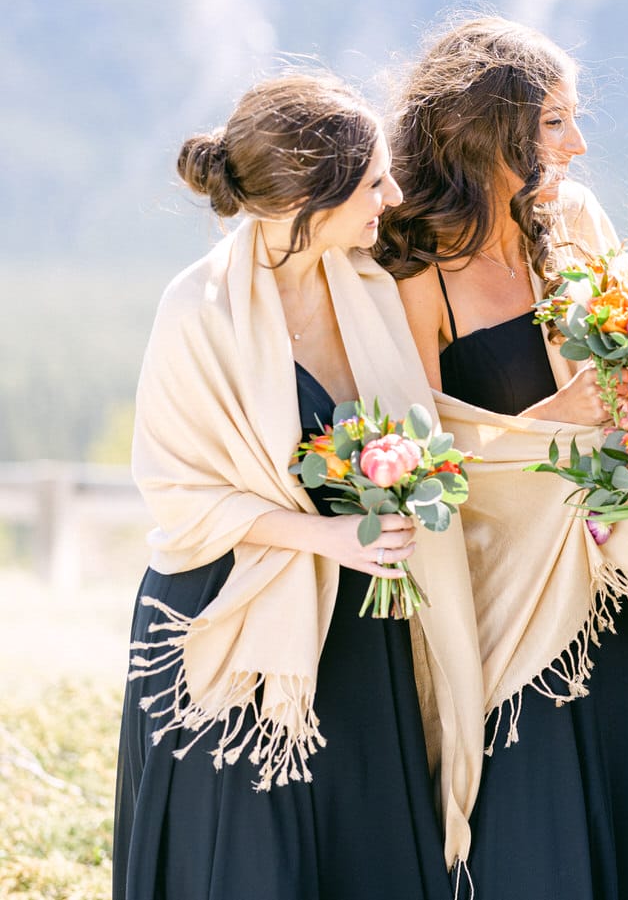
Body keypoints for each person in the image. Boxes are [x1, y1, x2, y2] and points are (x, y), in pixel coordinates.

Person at [116, 73, 484, 900]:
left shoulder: (370, 287)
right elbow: (177, 493)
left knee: (366, 855)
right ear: (308, 198)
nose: (391, 195)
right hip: (228, 619)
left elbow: (421, 426)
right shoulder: (198, 309)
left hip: (359, 624)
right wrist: (324, 537)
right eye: (373, 180)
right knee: (245, 865)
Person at [375, 15, 628, 900]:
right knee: (529, 833)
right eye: (553, 123)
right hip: (499, 598)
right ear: (483, 128)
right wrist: (557, 417)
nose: (579, 145)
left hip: (604, 583)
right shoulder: (412, 264)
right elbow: (421, 455)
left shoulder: (572, 218)